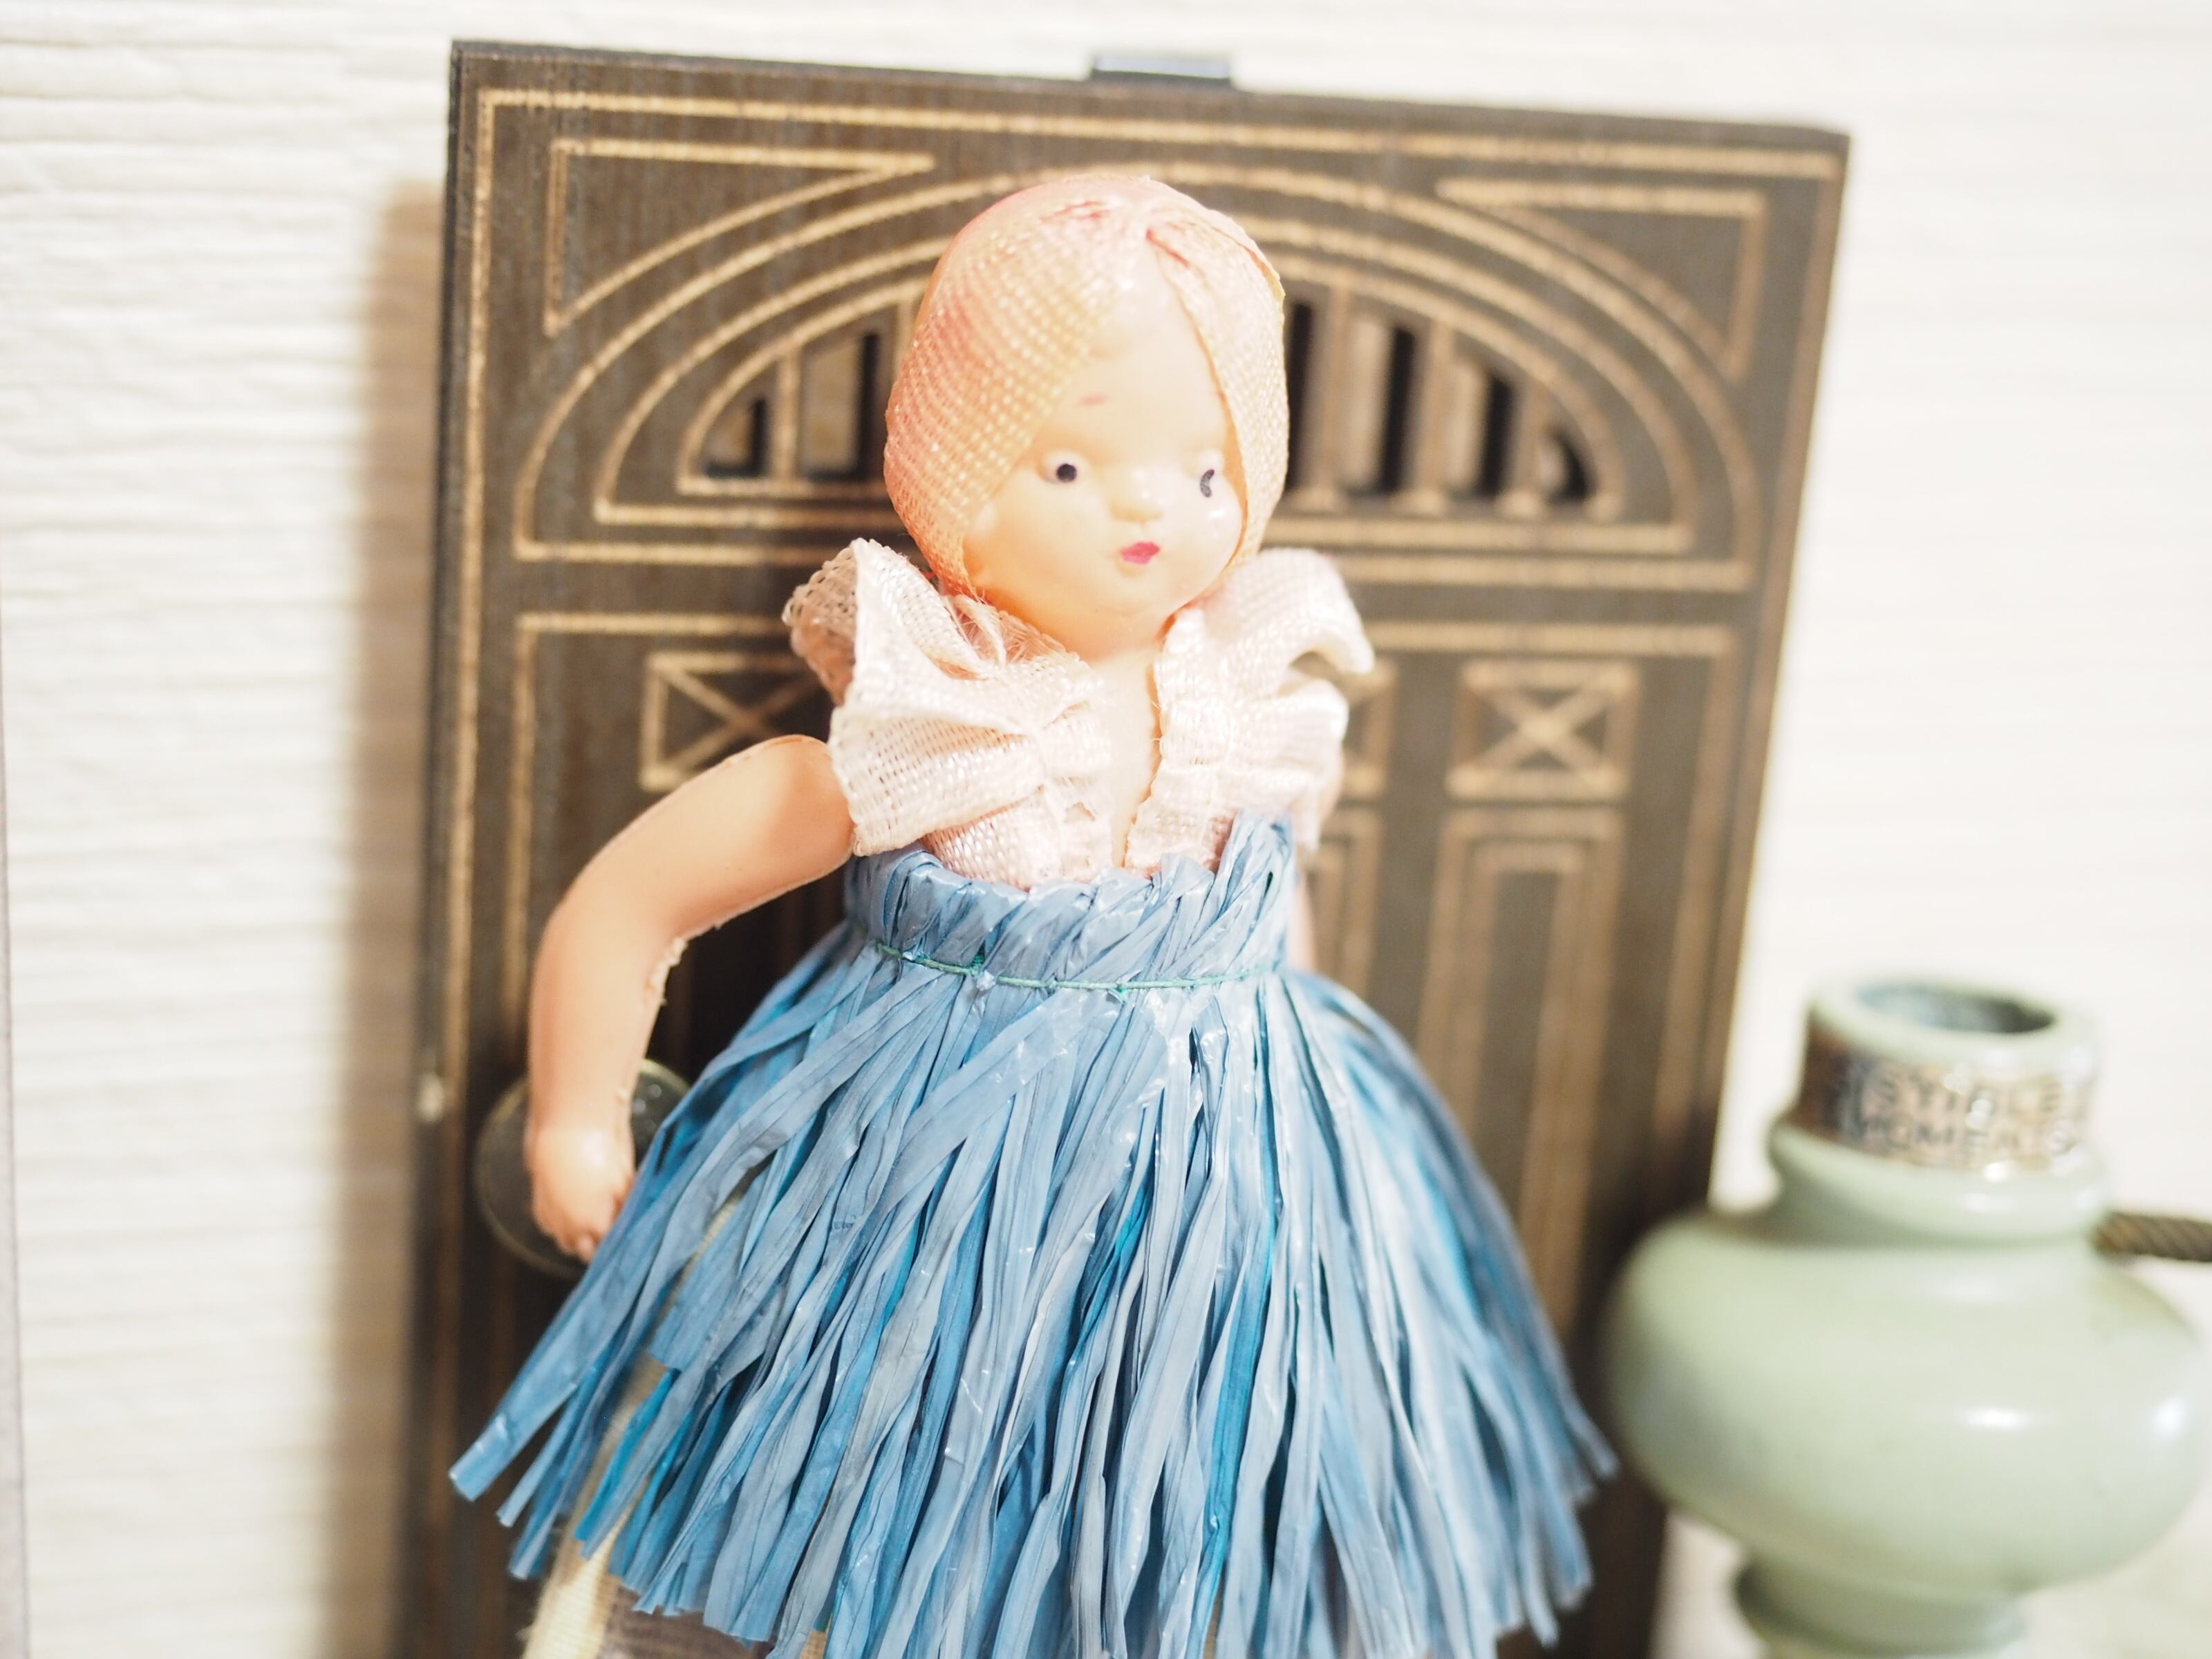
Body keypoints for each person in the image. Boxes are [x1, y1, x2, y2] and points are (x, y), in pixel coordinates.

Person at [453, 174, 1606, 1659]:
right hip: (939, 1184)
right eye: (1070, 464)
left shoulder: (1243, 708)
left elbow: (1275, 921)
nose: (1150, 506)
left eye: (1206, 470)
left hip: (1229, 1193)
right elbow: (632, 899)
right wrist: (574, 1120)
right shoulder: (942, 724)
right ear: (954, 476)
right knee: (914, 1493)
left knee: (1190, 1504)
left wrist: (1300, 1120)